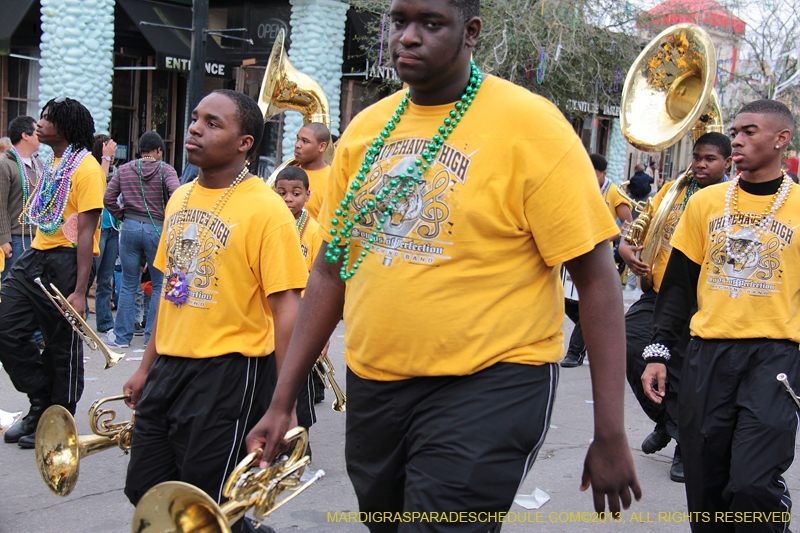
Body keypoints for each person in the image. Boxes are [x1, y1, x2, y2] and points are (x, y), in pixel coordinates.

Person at [246, 0, 641, 528]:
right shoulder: (366, 129)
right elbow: (328, 271)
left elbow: (596, 279)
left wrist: (610, 430)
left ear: (470, 31)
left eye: (430, 24)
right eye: (400, 22)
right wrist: (282, 401)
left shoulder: (531, 125)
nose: (408, 37)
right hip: (375, 382)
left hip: (491, 384)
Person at [122, 90, 307, 533]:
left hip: (229, 373)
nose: (195, 128)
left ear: (245, 142)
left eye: (213, 122)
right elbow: (170, 292)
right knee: (146, 488)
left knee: (209, 500)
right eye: (195, 118)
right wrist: (147, 367)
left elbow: (287, 310)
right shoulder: (180, 197)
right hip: (169, 366)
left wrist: (286, 404)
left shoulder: (267, 209)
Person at [643, 100, 798, 531]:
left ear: (781, 139)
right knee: (706, 484)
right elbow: (677, 286)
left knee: (752, 481)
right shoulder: (706, 203)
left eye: (750, 131)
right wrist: (658, 351)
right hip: (706, 356)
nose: (738, 139)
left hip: (775, 359)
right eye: (736, 131)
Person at [620, 132, 731, 484]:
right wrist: (626, 250)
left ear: (727, 163)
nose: (699, 163)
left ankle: (684, 443)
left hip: (700, 300)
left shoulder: (730, 200)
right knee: (627, 343)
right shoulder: (673, 190)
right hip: (659, 294)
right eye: (696, 157)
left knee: (683, 370)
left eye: (709, 158)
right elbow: (638, 230)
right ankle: (667, 421)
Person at [0, 97, 105, 447]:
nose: (40, 124)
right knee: (8, 329)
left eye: (48, 119)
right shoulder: (54, 161)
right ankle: (40, 403)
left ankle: (58, 420)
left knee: (61, 346)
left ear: (66, 127)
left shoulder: (86, 168)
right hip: (35, 256)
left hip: (65, 261)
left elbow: (87, 234)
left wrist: (79, 290)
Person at [104, 131, 180, 348]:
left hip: (128, 228)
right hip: (156, 229)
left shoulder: (125, 169)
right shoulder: (165, 170)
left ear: (139, 150)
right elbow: (176, 194)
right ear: (158, 151)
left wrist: (122, 216)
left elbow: (108, 198)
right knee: (158, 285)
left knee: (128, 283)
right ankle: (151, 339)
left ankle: (122, 337)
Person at [561, 153, 631, 368]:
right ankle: (597, 332)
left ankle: (575, 353)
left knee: (587, 304)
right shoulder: (578, 188)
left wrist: (602, 239)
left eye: (592, 174)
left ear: (603, 174)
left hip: (601, 256)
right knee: (567, 303)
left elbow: (628, 224)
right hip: (574, 252)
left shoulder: (614, 193)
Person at [274, 165, 325, 442]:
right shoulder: (269, 225)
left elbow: (322, 283)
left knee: (299, 388)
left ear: (308, 195)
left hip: (302, 320)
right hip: (271, 321)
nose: (288, 199)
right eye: (281, 192)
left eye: (295, 193)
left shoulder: (315, 232)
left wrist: (322, 332)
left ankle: (301, 453)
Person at [0, 116, 40, 279]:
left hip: (37, 238)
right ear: (25, 135)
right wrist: (3, 239)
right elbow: (1, 205)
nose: (40, 135)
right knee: (11, 290)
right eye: (37, 131)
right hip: (15, 240)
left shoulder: (39, 164)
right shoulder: (5, 164)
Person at [90, 134, 119, 333]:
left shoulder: (113, 171)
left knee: (106, 279)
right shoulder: (93, 169)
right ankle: (78, 320)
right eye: (110, 148)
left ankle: (105, 322)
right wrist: (105, 159)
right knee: (86, 277)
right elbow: (99, 191)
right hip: (96, 230)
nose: (113, 152)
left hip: (111, 229)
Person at [293, 122, 330, 220]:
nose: (297, 145)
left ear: (322, 147)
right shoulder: (289, 170)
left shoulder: (332, 181)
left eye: (305, 141)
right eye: (298, 139)